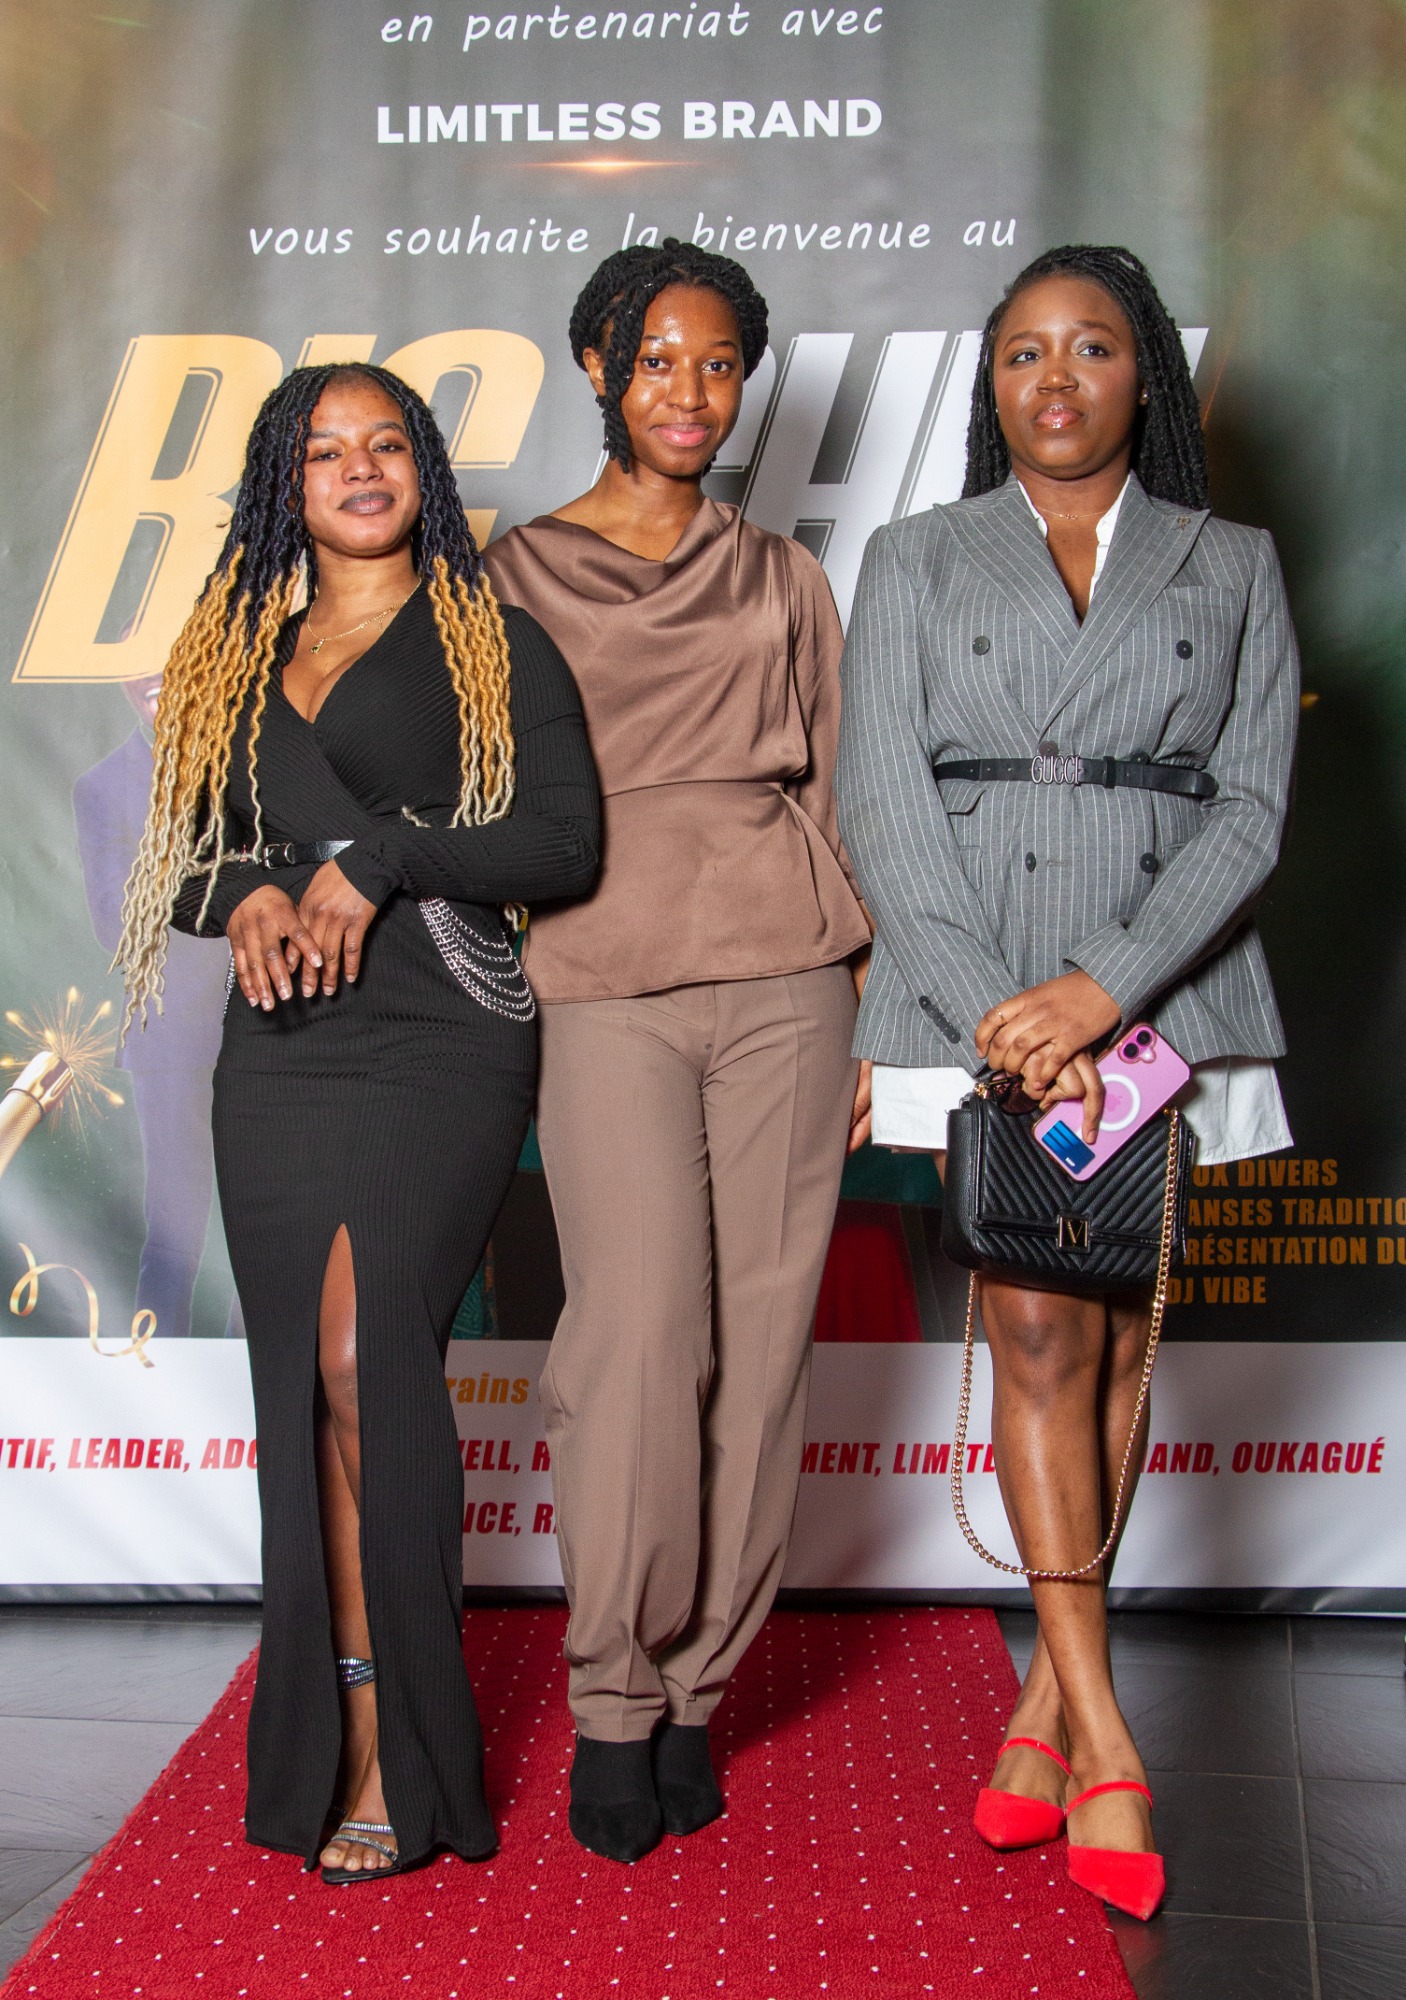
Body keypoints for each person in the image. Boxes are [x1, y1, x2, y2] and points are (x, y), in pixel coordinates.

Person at [837, 244, 1298, 1921]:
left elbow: (1249, 805)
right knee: (1034, 1329)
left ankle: (1042, 1704)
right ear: (993, 382)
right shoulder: (912, 554)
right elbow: (881, 804)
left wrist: (1105, 988)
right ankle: (1104, 1726)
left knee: (1113, 1337)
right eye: (1022, 351)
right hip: (972, 992)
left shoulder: (1229, 560)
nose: (1053, 377)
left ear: (1139, 376)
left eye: (1090, 347)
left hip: (1157, 990)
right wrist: (1001, 1013)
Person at [116, 362, 599, 1882]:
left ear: (425, 474)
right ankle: (331, 1734)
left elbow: (564, 839)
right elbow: (183, 861)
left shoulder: (488, 639)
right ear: (287, 483)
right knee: (305, 1391)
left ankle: (407, 1744)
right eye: (326, 451)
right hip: (278, 1050)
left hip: (437, 1036)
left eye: (387, 443)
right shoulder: (227, 652)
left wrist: (380, 857)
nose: (361, 467)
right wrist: (250, 895)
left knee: (359, 1362)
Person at [485, 240, 871, 1864]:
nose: (690, 393)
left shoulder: (782, 576)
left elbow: (839, 790)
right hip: (599, 971)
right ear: (596, 366)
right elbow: (470, 781)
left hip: (790, 973)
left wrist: (874, 1009)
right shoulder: (510, 571)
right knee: (637, 1339)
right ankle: (612, 1693)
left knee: (762, 1345)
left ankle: (702, 1685)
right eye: (658, 359)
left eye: (719, 364)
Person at [73, 672, 236, 1339]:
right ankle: (160, 1367)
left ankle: (264, 1375)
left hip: (276, 1024)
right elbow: (116, 922)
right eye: (135, 663)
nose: (153, 676)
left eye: (164, 657)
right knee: (174, 1224)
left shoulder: (259, 759)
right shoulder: (105, 786)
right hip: (169, 1035)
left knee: (272, 1216)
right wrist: (232, 890)